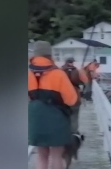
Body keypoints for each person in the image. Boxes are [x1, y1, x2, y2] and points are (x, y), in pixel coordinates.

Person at [28, 41, 78, 169]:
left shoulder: (27, 74)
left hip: (35, 117)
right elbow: (71, 100)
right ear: (49, 55)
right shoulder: (58, 74)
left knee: (41, 155)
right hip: (56, 117)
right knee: (56, 155)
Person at [62, 58, 89, 133]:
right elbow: (86, 81)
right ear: (73, 62)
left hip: (62, 98)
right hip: (75, 96)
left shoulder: (59, 71)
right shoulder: (78, 71)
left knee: (63, 116)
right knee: (74, 115)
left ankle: (64, 132)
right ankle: (74, 133)